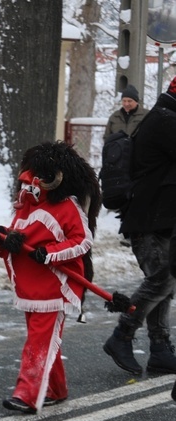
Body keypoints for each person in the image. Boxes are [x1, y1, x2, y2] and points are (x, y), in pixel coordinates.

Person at [0, 141, 101, 414]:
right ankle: (56, 389)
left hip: (55, 288)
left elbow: (82, 241)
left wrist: (49, 253)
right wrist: (1, 237)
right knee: (45, 340)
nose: (28, 184)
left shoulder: (67, 207)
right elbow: (15, 243)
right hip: (29, 289)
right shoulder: (24, 207)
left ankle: (27, 394)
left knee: (38, 341)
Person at [102, 76, 176, 376]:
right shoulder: (164, 121)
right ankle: (121, 336)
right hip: (147, 219)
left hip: (160, 219)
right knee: (162, 280)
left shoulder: (165, 117)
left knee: (163, 284)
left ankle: (160, 350)